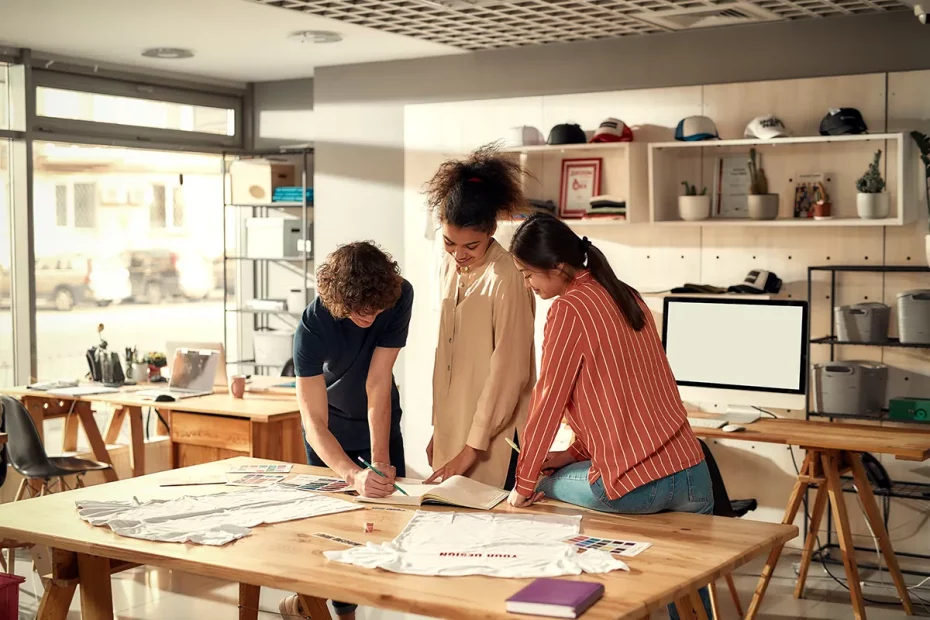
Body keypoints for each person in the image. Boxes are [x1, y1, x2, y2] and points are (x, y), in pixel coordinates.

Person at [505, 213, 712, 620]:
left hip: (636, 486)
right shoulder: (627, 294)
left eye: (528, 275)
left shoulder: (568, 310)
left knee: (543, 490)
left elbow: (548, 400)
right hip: (693, 474)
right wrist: (573, 452)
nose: (527, 284)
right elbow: (628, 393)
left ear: (558, 268)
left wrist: (524, 484)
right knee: (688, 594)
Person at [279, 241, 413, 620]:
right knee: (334, 531)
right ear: (339, 302)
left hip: (381, 414)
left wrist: (380, 462)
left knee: (392, 524)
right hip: (330, 430)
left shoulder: (399, 296)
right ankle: (334, 612)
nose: (370, 315)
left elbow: (378, 383)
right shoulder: (312, 326)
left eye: (376, 307)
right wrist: (353, 474)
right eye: (359, 309)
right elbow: (313, 423)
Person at [423, 145, 536, 489]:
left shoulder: (509, 277)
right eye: (449, 242)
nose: (459, 254)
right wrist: (438, 430)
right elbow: (446, 360)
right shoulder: (447, 266)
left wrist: (470, 450)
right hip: (453, 433)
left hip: (493, 442)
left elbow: (509, 373)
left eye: (471, 246)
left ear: (490, 230)